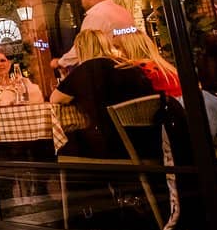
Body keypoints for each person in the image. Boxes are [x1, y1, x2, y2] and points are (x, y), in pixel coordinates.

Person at [49, 29, 155, 159]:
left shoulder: (85, 70)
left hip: (113, 145)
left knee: (64, 146)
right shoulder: (128, 65)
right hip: (149, 142)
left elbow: (54, 98)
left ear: (80, 49)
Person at [51, 0, 135, 70]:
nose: (81, 2)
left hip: (110, 68)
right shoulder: (123, 11)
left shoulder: (96, 15)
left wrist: (60, 62)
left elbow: (83, 47)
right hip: (129, 64)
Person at [114, 28, 182, 98]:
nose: (114, 51)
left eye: (117, 47)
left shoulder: (134, 70)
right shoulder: (165, 67)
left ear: (129, 49)